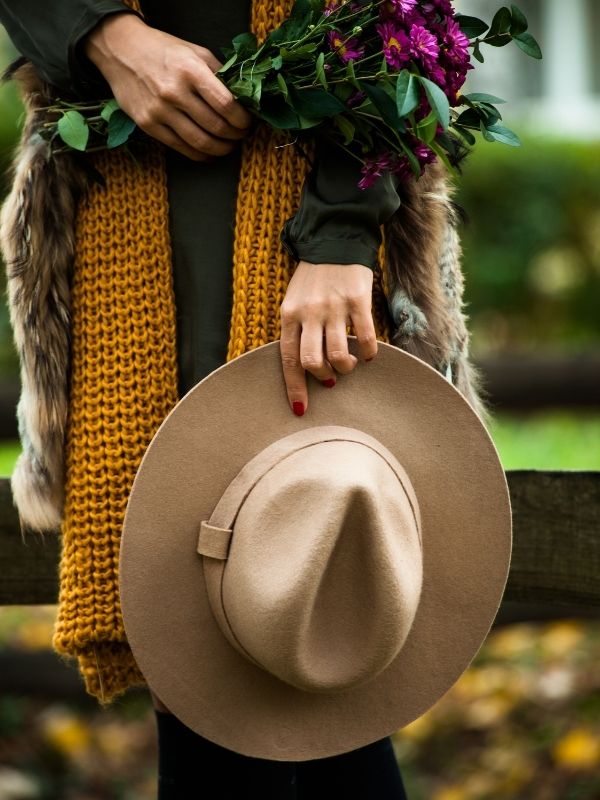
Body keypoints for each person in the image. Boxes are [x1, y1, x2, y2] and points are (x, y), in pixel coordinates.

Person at [0, 0, 413, 796]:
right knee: (211, 621)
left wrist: (342, 232)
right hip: (132, 206)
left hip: (315, 212)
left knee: (310, 569)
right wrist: (106, 37)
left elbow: (401, 18)